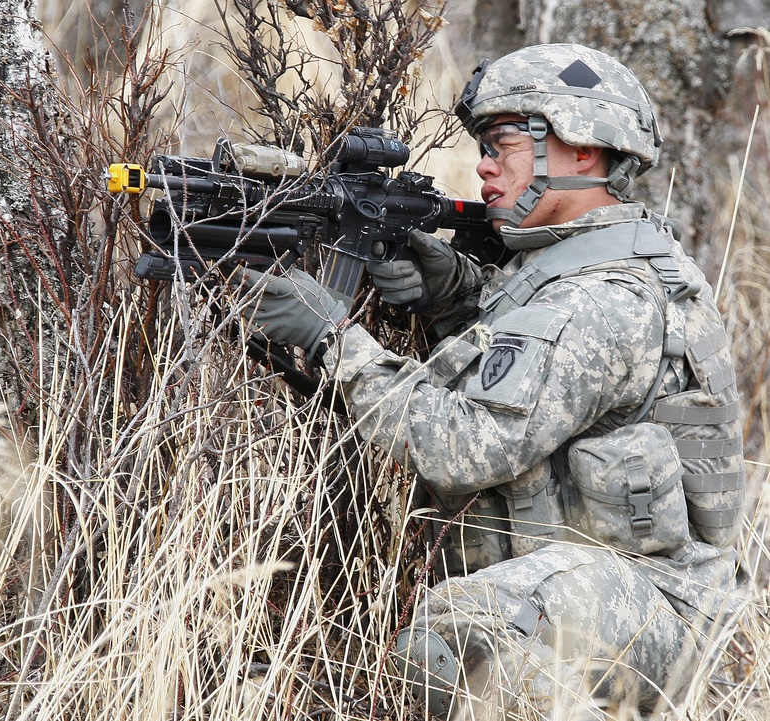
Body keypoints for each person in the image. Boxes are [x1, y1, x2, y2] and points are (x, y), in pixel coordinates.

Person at [234, 43, 750, 720]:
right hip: (626, 587)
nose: (481, 163)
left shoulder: (599, 302)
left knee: (458, 635)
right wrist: (456, 292)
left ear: (582, 151)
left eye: (502, 143)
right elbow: (541, 349)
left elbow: (462, 451)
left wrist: (333, 337)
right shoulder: (604, 261)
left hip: (661, 605)